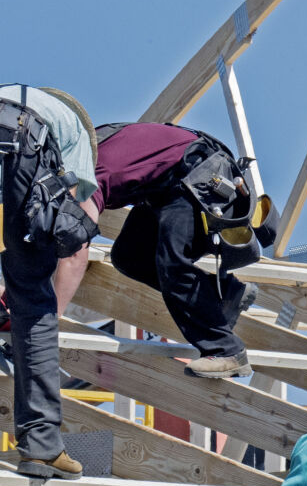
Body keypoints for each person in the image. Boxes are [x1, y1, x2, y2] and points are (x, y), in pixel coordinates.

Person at [0, 84, 100, 478]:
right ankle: (41, 448)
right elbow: (76, 236)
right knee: (35, 302)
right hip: (15, 146)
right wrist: (37, 310)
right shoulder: (75, 133)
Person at [92, 121, 274, 379]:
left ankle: (227, 351)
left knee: (172, 264)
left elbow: (75, 230)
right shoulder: (98, 145)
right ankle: (225, 294)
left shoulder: (96, 167)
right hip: (166, 188)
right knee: (128, 255)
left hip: (199, 181)